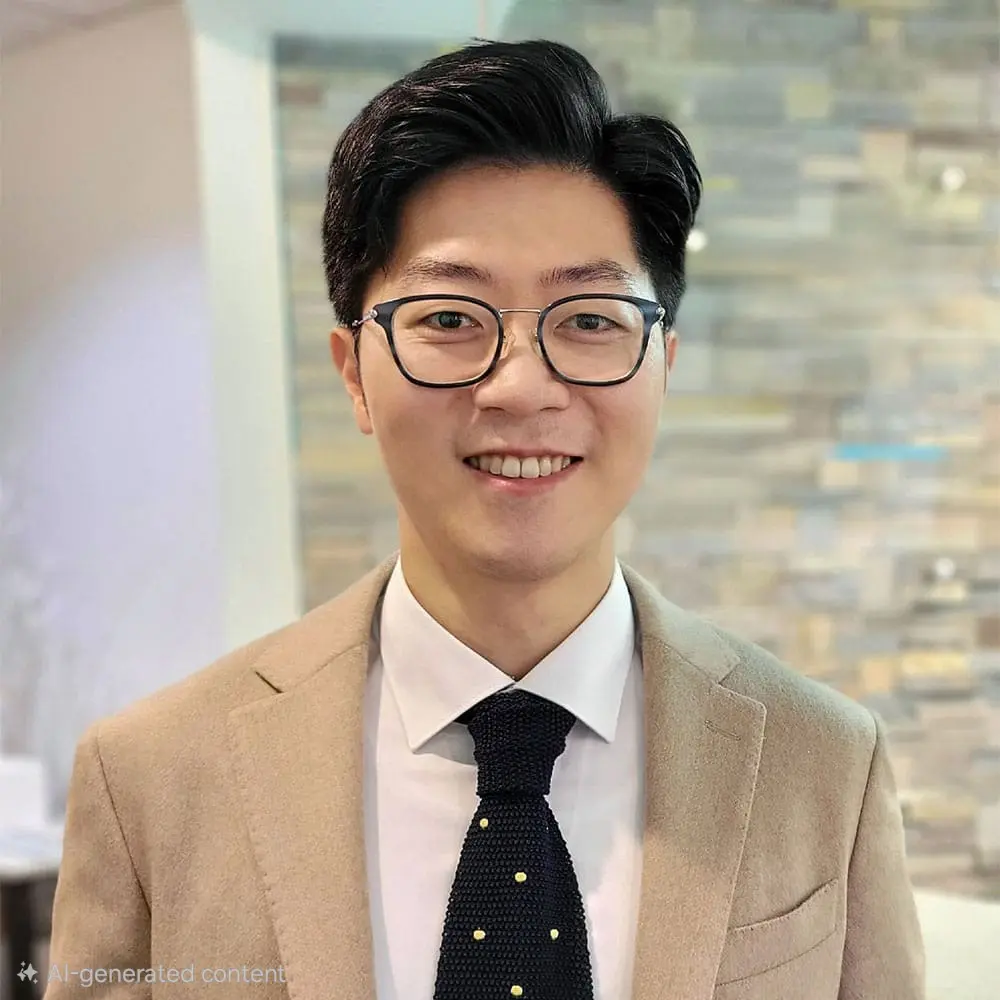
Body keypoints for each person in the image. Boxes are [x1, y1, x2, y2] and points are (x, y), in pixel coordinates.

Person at [45, 38, 925, 1000]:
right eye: (451, 319)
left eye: (590, 319)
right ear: (354, 374)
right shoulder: (153, 779)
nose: (520, 387)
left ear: (662, 366)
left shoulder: (824, 766)